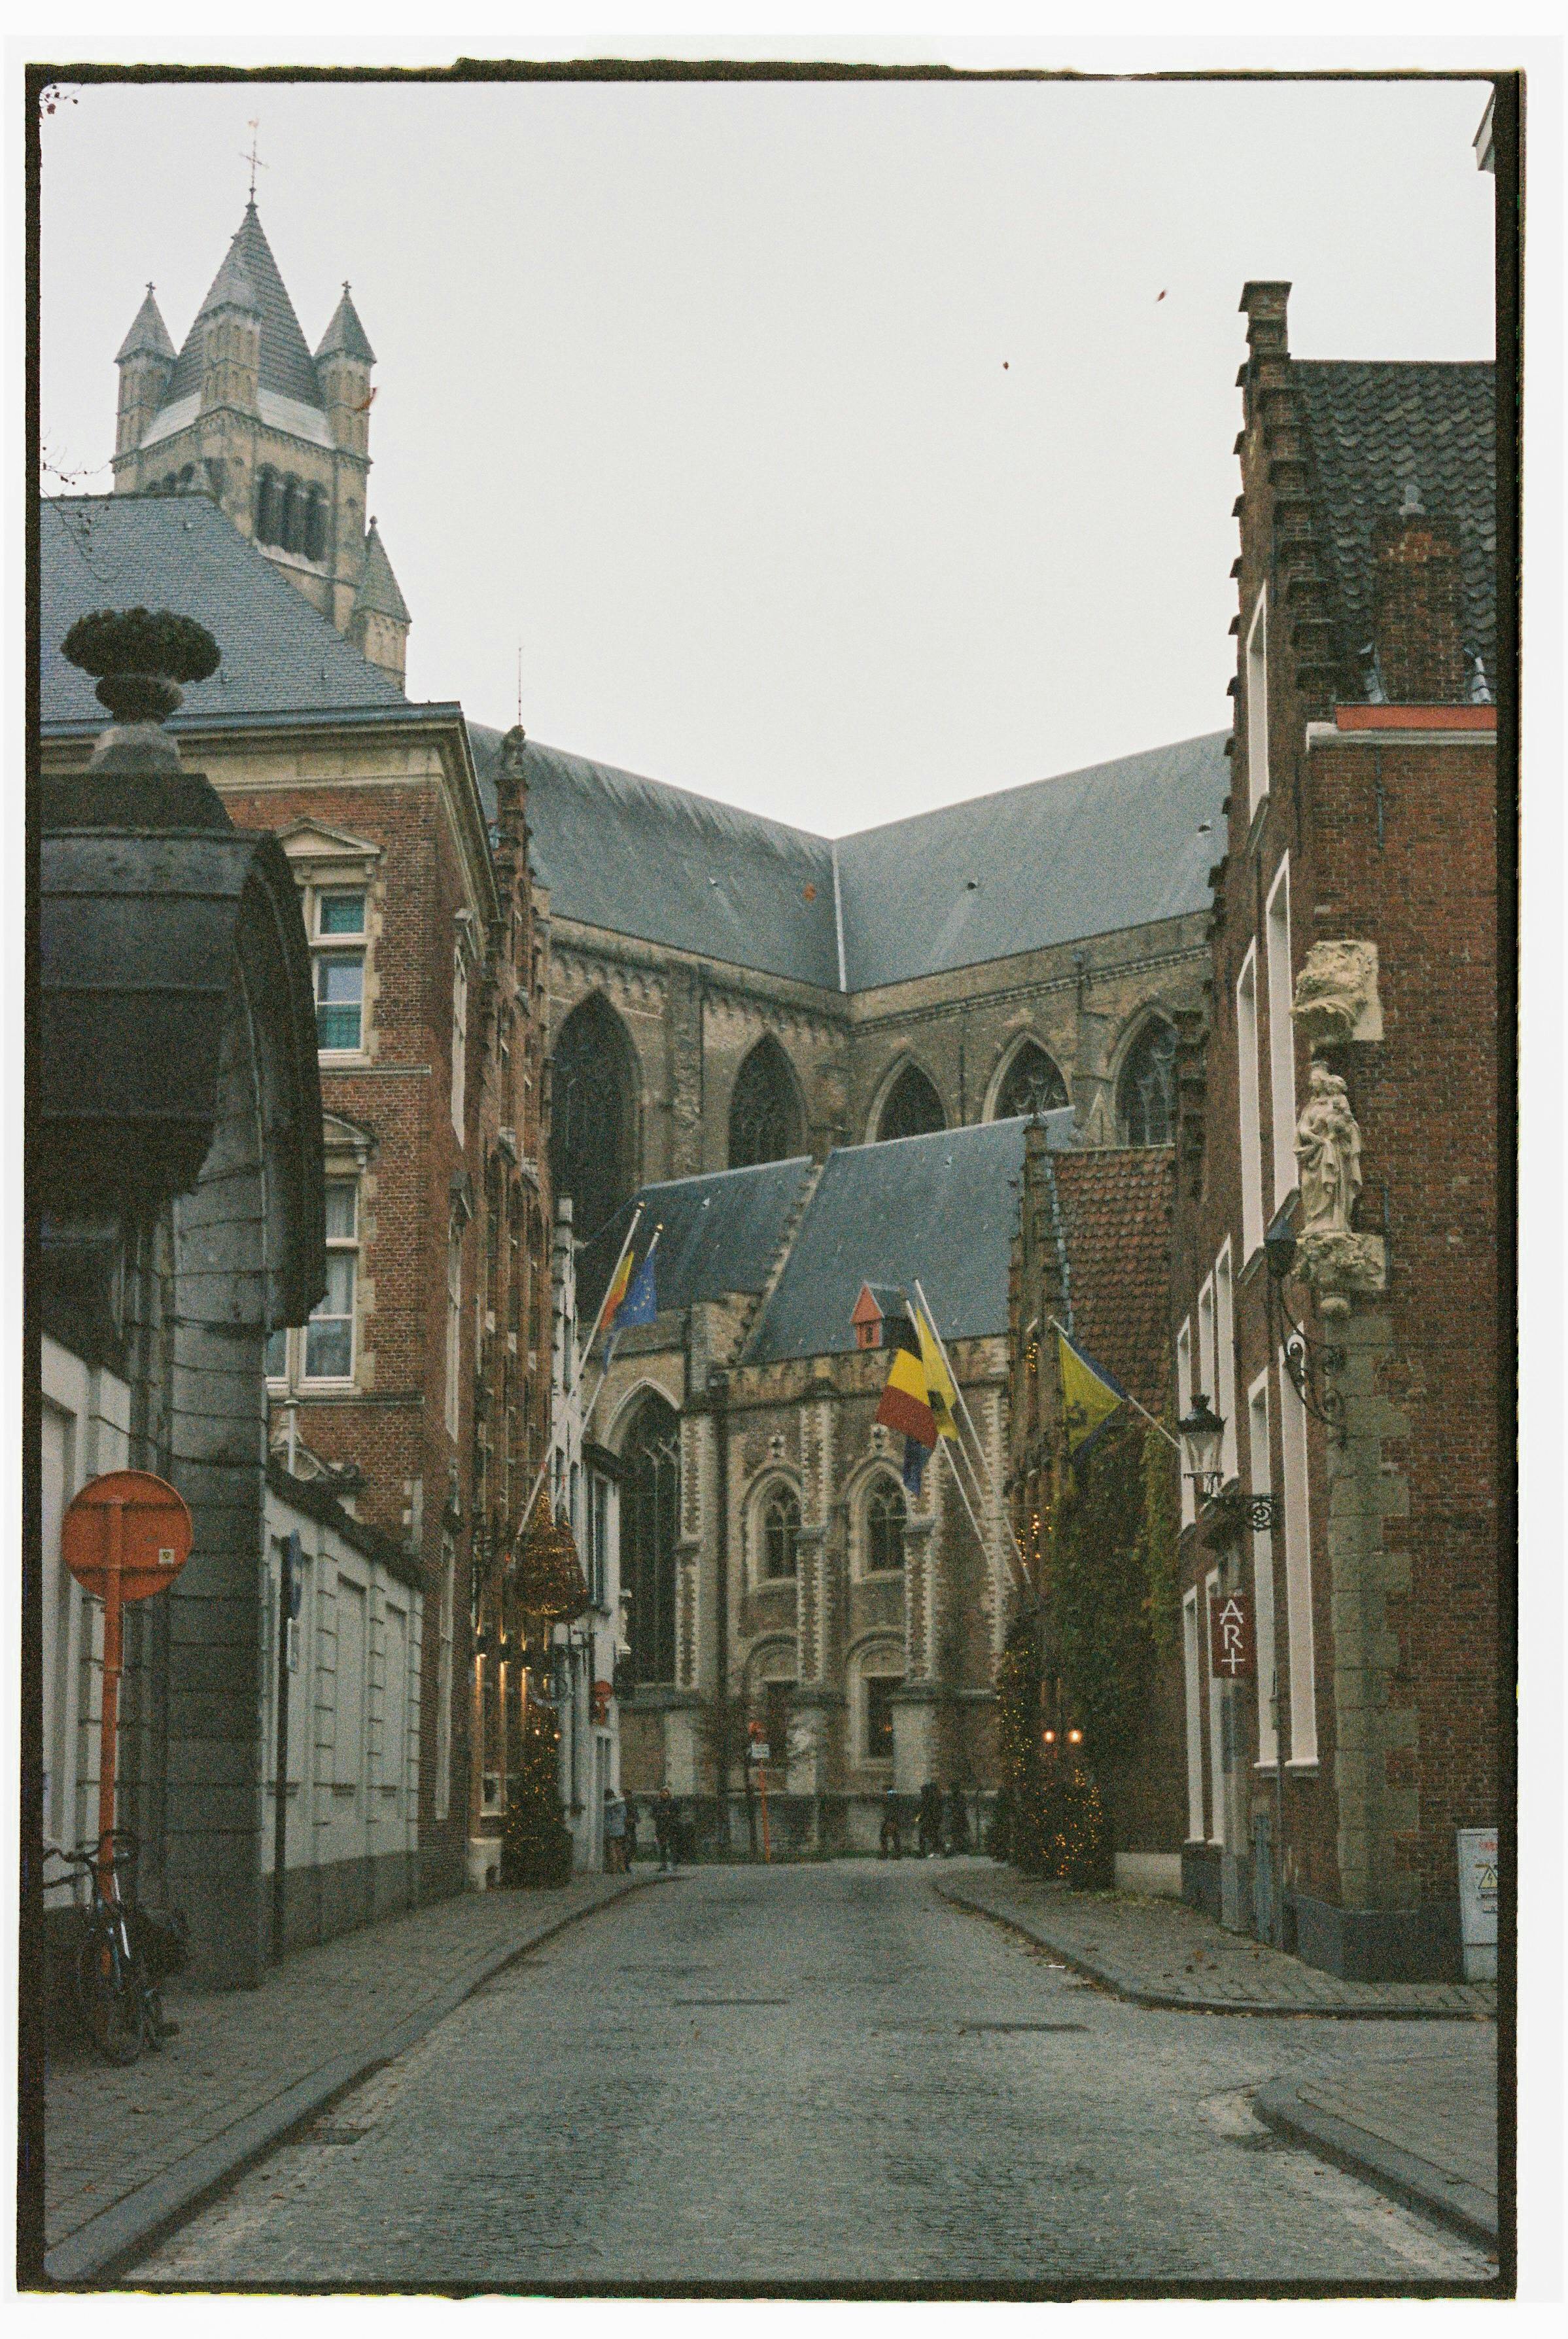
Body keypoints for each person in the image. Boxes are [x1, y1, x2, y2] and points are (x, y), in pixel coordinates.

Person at [602, 1784, 626, 1874]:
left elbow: (607, 1819)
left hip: (612, 1830)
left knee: (612, 1849)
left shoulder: (608, 1806)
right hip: (621, 1830)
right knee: (619, 1849)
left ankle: (614, 1869)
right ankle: (622, 1868)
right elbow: (624, 1816)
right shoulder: (621, 1804)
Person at [654, 1784, 678, 1873]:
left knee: (672, 1846)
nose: (664, 1794)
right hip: (661, 1827)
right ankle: (663, 1865)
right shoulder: (657, 1803)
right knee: (662, 1847)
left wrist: (670, 1814)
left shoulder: (673, 1802)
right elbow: (653, 1814)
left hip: (671, 1827)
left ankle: (674, 1865)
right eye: (663, 1793)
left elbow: (677, 1813)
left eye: (666, 1792)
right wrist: (661, 1815)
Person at [917, 1780, 943, 1859]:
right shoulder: (931, 1799)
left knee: (926, 1835)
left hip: (931, 1820)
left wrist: (918, 1819)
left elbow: (923, 1812)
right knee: (933, 1836)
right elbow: (922, 1812)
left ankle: (924, 1851)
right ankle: (939, 1850)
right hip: (933, 1820)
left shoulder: (930, 1800)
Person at [945, 1781, 971, 1856]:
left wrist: (955, 1810)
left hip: (960, 1818)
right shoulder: (953, 1797)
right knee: (956, 1834)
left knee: (959, 1834)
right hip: (957, 1818)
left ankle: (961, 1848)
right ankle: (958, 1848)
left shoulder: (959, 1796)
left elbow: (962, 1807)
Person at [879, 1787, 903, 1859]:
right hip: (894, 1819)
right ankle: (897, 1853)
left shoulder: (890, 1796)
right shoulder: (894, 1796)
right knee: (895, 1836)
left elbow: (891, 1809)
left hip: (891, 1819)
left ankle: (886, 1853)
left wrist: (891, 1820)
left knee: (884, 1835)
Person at [623, 1793, 640, 1867]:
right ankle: (623, 1864)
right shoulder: (621, 1805)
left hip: (631, 1829)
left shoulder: (633, 1806)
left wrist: (633, 1820)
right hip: (622, 1829)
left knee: (633, 1846)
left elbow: (638, 1818)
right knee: (624, 1846)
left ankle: (627, 1862)